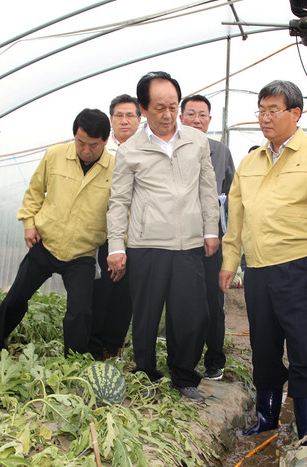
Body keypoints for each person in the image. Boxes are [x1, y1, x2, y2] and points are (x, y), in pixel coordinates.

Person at [219, 80, 307, 451]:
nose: (265, 117)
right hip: (258, 268)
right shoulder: (251, 161)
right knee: (264, 346)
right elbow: (235, 218)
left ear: (295, 114)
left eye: (273, 110)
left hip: (300, 268)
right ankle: (266, 417)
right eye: (261, 110)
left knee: (305, 347)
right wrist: (230, 262)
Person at [107, 71, 219, 401]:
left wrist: (210, 229)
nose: (168, 115)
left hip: (188, 245)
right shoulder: (130, 150)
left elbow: (207, 188)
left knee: (191, 314)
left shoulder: (196, 142)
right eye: (159, 108)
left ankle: (183, 376)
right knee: (146, 314)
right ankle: (147, 372)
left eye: (173, 106)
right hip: (147, 244)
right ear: (143, 109)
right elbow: (119, 201)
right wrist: (117, 245)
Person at [0, 109, 114, 357]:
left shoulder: (115, 169)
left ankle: (72, 362)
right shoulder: (55, 155)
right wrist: (29, 223)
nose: (86, 150)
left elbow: (120, 213)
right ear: (74, 136)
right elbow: (34, 192)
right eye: (81, 143)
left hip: (82, 253)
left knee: (79, 312)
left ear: (106, 141)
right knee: (16, 297)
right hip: (45, 243)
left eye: (93, 145)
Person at [179, 94, 235, 380]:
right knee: (184, 299)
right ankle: (184, 358)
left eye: (202, 115)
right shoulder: (172, 149)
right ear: (181, 118)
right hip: (180, 239)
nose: (197, 120)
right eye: (191, 114)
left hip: (214, 239)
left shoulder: (221, 151)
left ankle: (215, 358)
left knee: (214, 300)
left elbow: (232, 194)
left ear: (209, 120)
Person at [88, 95, 140, 360]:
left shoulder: (146, 154)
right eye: (119, 115)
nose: (124, 121)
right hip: (108, 238)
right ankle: (95, 348)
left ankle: (112, 347)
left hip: (138, 240)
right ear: (111, 121)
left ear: (140, 119)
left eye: (130, 115)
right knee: (101, 294)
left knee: (125, 299)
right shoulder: (104, 158)